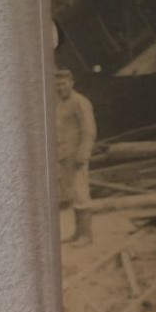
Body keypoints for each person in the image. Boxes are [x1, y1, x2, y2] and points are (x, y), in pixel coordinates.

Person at [54, 69, 96, 244]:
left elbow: (89, 130)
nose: (61, 87)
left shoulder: (81, 102)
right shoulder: (60, 104)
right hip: (64, 155)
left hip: (76, 155)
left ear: (72, 83)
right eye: (58, 84)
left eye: (64, 83)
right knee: (72, 193)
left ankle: (86, 235)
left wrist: (84, 152)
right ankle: (78, 233)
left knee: (80, 192)